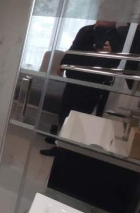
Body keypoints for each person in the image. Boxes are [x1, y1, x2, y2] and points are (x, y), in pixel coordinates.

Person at [40, 21, 123, 156]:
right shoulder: (85, 30)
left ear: (114, 20)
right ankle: (59, 138)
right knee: (65, 110)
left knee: (78, 116)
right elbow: (73, 48)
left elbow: (114, 64)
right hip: (73, 79)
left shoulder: (116, 37)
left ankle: (63, 149)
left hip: (91, 84)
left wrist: (108, 54)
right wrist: (63, 64)